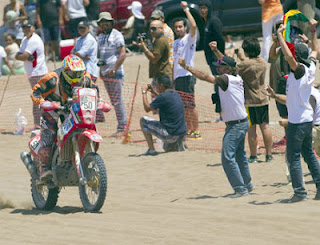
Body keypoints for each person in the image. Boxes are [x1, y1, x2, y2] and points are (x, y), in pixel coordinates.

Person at [178, 55, 254, 197]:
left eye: (220, 66)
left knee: (227, 158)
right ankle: (247, 184)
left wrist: (187, 67)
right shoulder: (236, 79)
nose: (217, 68)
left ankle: (240, 189)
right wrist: (215, 51)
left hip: (236, 125)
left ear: (228, 69)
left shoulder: (226, 79)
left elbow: (205, 76)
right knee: (240, 156)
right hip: (241, 122)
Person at [30, 54, 109, 181]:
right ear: (66, 72)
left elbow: (95, 91)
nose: (77, 77)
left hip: (73, 110)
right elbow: (35, 91)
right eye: (73, 74)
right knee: (49, 134)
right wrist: (42, 102)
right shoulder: (52, 79)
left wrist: (100, 102)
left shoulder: (86, 79)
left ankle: (79, 158)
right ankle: (44, 167)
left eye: (79, 73)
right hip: (53, 110)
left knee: (83, 126)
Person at [275, 19, 320, 202]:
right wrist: (312, 31)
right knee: (308, 154)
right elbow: (316, 51)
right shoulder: (311, 66)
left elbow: (289, 57)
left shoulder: (300, 69)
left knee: (293, 156)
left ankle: (300, 192)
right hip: (307, 119)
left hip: (298, 121)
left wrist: (279, 35)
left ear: (298, 58)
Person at [235, 37, 273, 163]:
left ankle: (253, 156)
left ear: (246, 51)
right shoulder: (262, 62)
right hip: (263, 99)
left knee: (252, 129)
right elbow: (249, 65)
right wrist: (242, 58)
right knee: (265, 127)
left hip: (250, 101)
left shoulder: (244, 64)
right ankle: (269, 154)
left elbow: (232, 67)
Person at [97, 12, 128, 137]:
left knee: (117, 101)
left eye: (107, 21)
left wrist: (114, 69)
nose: (105, 24)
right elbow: (101, 55)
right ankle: (121, 126)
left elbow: (123, 54)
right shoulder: (100, 36)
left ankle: (123, 127)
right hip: (105, 73)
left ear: (111, 22)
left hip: (115, 74)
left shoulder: (117, 35)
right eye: (102, 21)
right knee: (114, 101)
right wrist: (101, 70)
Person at [173, 1, 200, 139]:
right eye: (176, 27)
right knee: (183, 106)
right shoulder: (176, 42)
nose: (178, 29)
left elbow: (194, 25)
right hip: (177, 77)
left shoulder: (189, 38)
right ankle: (188, 129)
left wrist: (186, 9)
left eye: (180, 27)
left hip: (187, 75)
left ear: (184, 28)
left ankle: (196, 129)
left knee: (191, 105)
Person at [140, 75, 186, 156]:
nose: (156, 87)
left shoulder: (163, 97)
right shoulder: (175, 94)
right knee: (167, 149)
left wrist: (144, 93)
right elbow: (164, 99)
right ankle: (178, 145)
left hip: (170, 134)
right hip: (180, 133)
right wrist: (154, 92)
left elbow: (147, 109)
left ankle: (151, 150)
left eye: (157, 85)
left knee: (143, 121)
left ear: (162, 85)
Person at [16, 20, 48, 129]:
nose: (26, 29)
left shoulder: (34, 39)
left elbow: (23, 55)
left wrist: (21, 56)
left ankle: (39, 124)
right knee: (38, 99)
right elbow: (18, 55)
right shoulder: (25, 39)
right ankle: (40, 124)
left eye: (28, 27)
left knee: (37, 99)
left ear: (33, 28)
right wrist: (21, 56)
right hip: (32, 73)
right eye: (24, 27)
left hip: (38, 72)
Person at [72, 20, 104, 122]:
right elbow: (73, 52)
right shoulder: (80, 39)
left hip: (90, 70)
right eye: (80, 28)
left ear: (88, 29)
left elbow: (79, 54)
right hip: (83, 70)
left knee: (90, 93)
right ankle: (96, 115)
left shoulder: (89, 39)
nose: (82, 30)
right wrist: (79, 55)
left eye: (84, 28)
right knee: (87, 93)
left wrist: (79, 55)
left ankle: (99, 115)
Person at [199, 0, 225, 121]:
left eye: (205, 8)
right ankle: (220, 114)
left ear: (209, 9)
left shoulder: (214, 21)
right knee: (216, 85)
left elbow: (221, 40)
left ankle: (222, 114)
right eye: (201, 8)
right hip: (211, 59)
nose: (203, 11)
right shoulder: (206, 22)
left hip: (216, 59)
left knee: (218, 85)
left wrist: (221, 57)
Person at [133, 19, 172, 87]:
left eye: (154, 29)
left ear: (161, 29)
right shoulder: (157, 40)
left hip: (162, 76)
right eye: (150, 29)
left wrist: (144, 47)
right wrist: (144, 47)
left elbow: (154, 59)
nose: (151, 31)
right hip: (159, 75)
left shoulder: (161, 41)